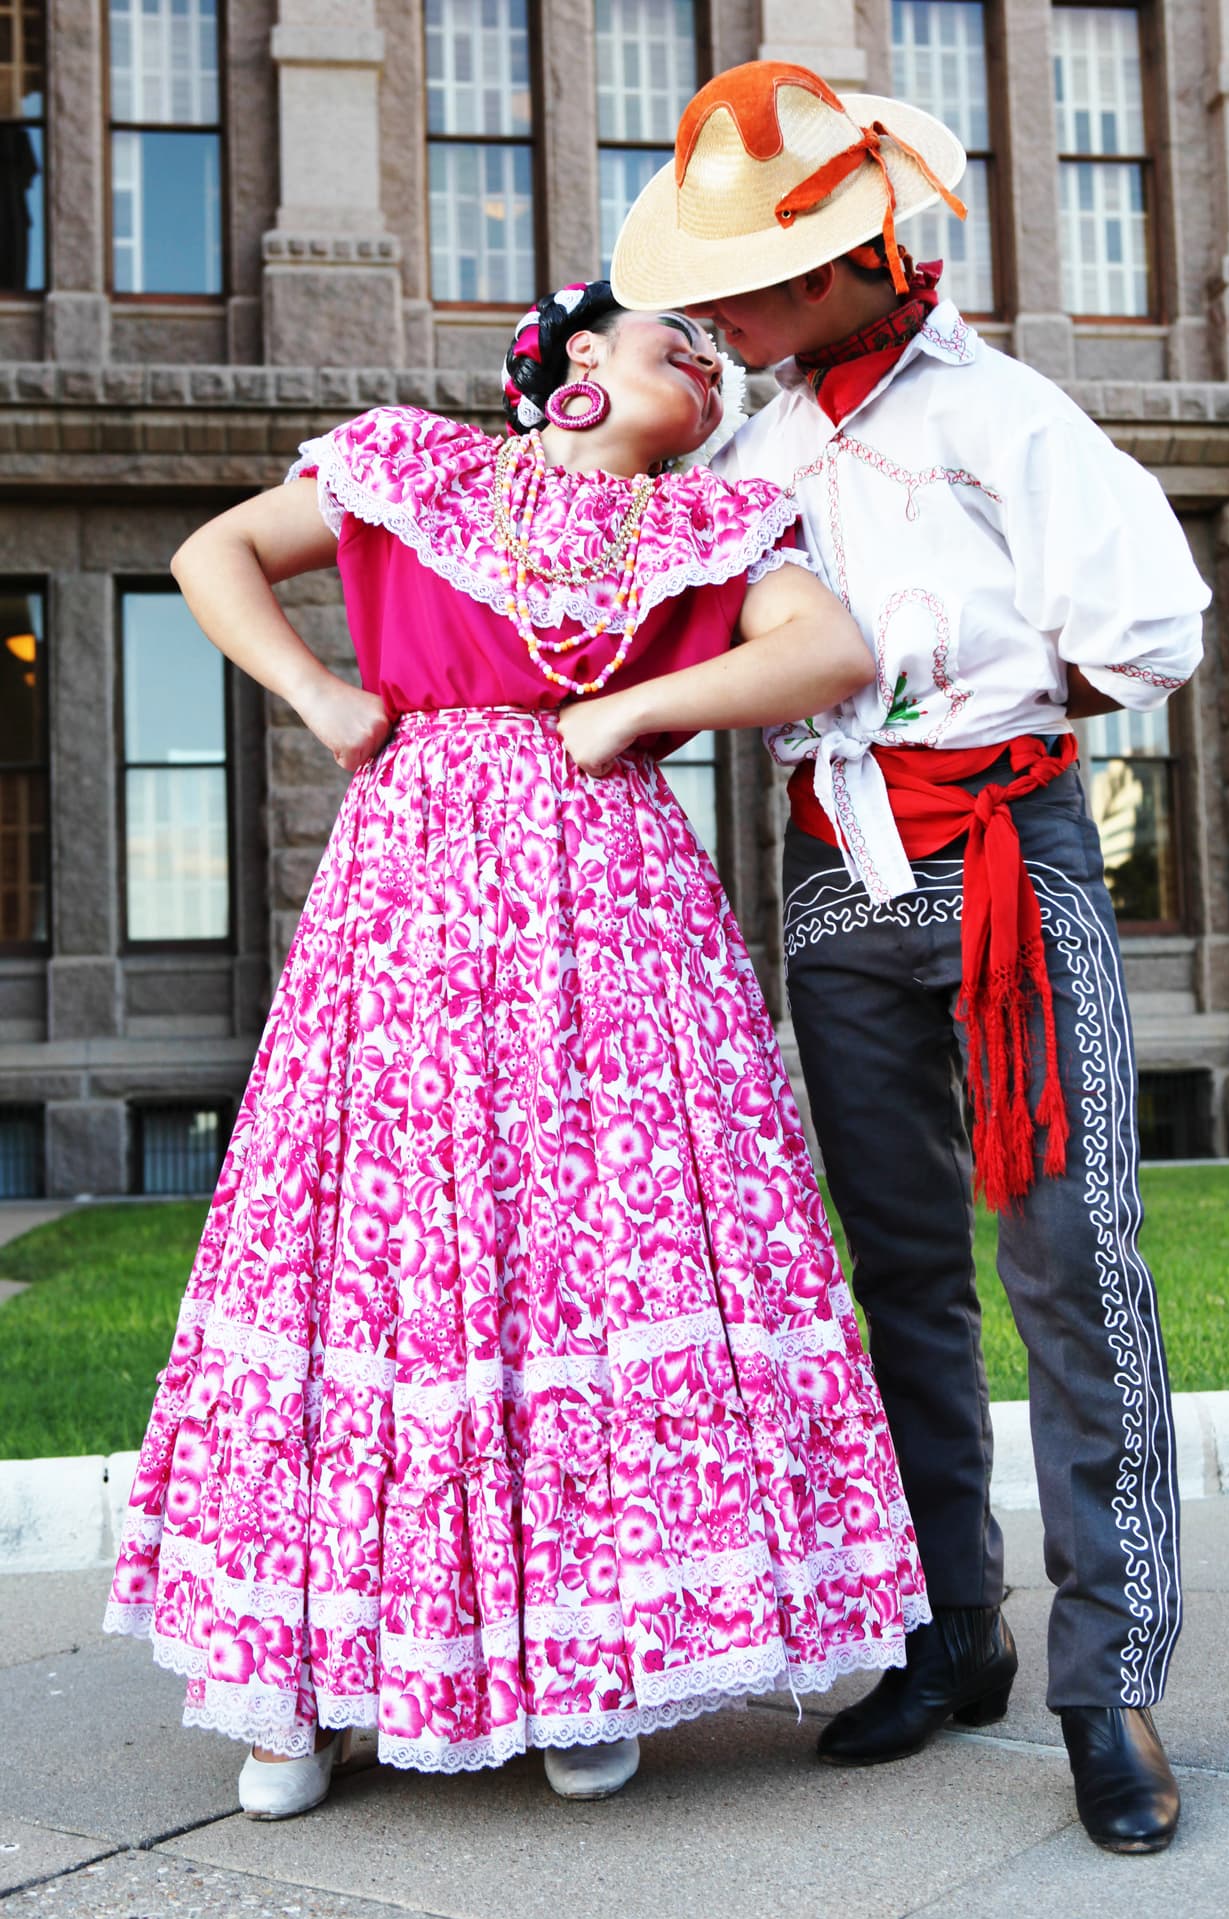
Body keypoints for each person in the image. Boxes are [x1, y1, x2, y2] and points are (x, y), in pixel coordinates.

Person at [103, 280, 930, 1817]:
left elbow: (829, 648)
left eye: (710, 356)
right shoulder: (411, 465)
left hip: (608, 906)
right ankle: (300, 1687)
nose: (697, 358)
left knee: (592, 1246)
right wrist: (319, 690)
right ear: (565, 367)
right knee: (375, 1242)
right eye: (663, 340)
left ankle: (584, 1665)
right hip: (409, 887)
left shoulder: (717, 526)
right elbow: (212, 552)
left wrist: (638, 715)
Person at [611, 64, 1210, 1854]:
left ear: (857, 251)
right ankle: (953, 1634)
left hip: (1011, 860)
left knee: (1071, 1263)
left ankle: (1114, 1682)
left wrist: (989, 732)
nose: (728, 303)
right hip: (830, 873)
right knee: (895, 1271)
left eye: (762, 266)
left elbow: (1153, 630)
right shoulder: (753, 439)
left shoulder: (1007, 413)